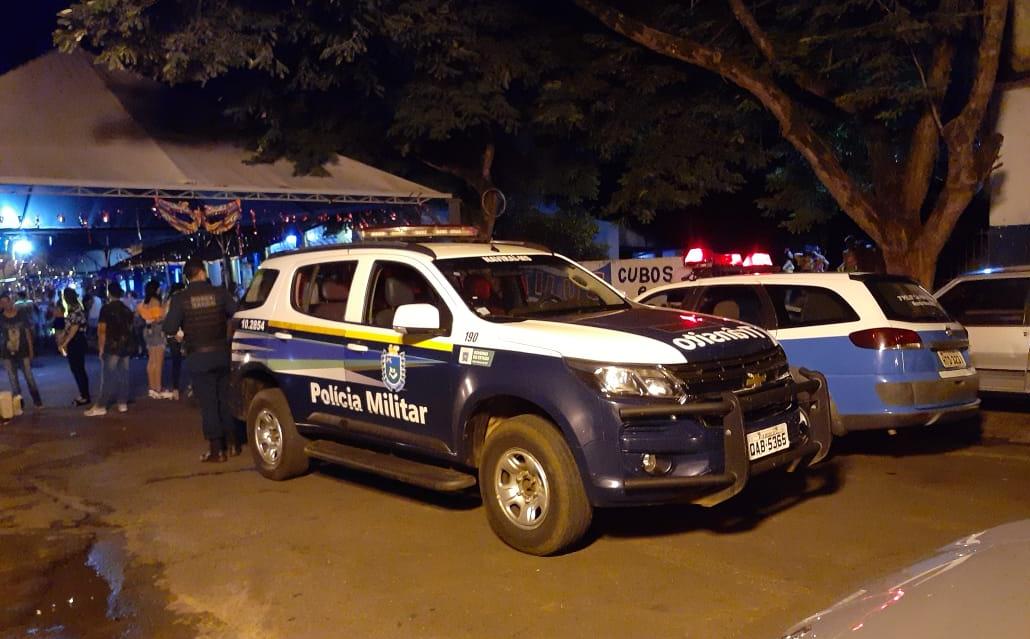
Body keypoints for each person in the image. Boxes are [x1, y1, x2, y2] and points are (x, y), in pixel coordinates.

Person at [164, 258, 238, 462]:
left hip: (198, 357)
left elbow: (169, 327)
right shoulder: (220, 293)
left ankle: (217, 450)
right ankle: (233, 443)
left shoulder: (181, 298)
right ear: (203, 272)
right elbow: (237, 313)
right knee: (225, 399)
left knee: (208, 404)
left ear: (187, 277)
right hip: (222, 354)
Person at [85, 283, 136, 417]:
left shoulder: (106, 309)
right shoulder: (127, 309)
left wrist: (101, 348)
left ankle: (101, 405)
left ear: (109, 293)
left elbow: (102, 330)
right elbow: (131, 328)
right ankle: (122, 402)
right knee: (124, 375)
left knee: (108, 376)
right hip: (125, 345)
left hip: (111, 345)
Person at [0, 293, 43, 409]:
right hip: (7, 353)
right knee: (13, 380)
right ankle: (18, 404)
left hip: (23, 350)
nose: (5, 305)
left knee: (29, 376)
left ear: (10, 301)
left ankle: (37, 401)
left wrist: (31, 349)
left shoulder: (21, 314)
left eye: (6, 302)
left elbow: (28, 332)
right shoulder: (1, 318)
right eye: (2, 303)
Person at [56, 288, 91, 406]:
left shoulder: (76, 311)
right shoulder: (75, 310)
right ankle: (83, 394)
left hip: (76, 341)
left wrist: (65, 343)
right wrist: (62, 338)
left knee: (78, 369)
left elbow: (74, 329)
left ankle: (85, 395)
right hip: (76, 341)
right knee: (77, 369)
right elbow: (69, 328)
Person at [137, 280, 172, 399]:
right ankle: (158, 388)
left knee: (152, 360)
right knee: (158, 361)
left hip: (148, 331)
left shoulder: (145, 302)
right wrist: (165, 311)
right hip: (157, 331)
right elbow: (158, 318)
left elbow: (141, 314)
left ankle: (152, 388)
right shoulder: (155, 301)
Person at [166, 282, 186, 401]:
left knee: (176, 362)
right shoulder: (179, 300)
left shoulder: (168, 300)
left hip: (171, 335)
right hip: (179, 333)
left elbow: (166, 318)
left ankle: (175, 388)